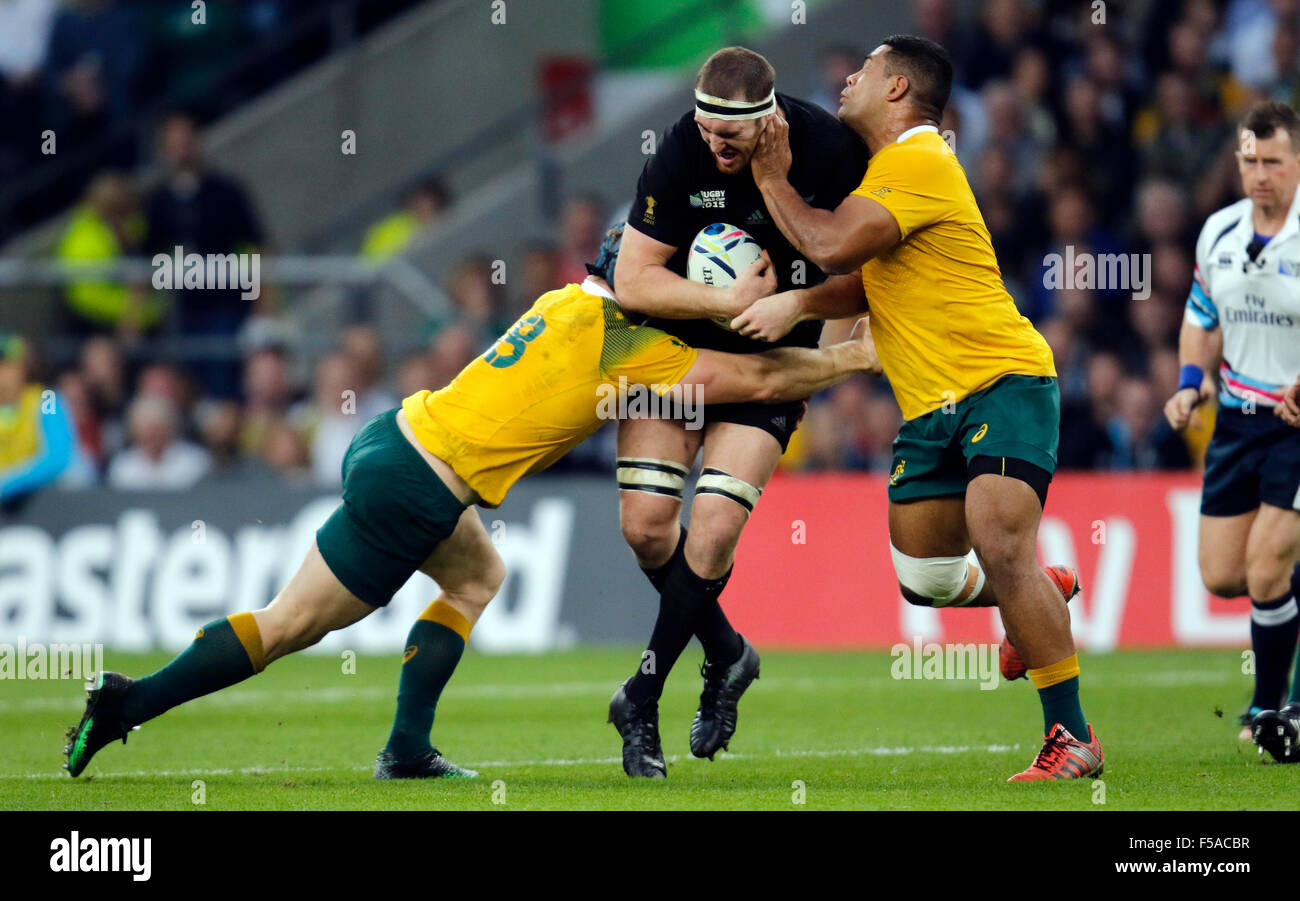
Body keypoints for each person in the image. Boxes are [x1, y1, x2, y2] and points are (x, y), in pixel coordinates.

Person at [63, 227, 883, 780]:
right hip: (420, 485)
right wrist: (858, 354)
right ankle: (130, 701)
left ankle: (408, 749)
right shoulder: (641, 350)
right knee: (285, 626)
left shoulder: (572, 301)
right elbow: (768, 378)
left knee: (477, 575)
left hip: (395, 436)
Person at [738, 35, 1100, 781]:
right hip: (930, 407)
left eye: (864, 70)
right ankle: (1038, 591)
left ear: (898, 86)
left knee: (1001, 544)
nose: (848, 79)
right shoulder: (889, 174)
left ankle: (1073, 737)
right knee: (926, 578)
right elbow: (870, 279)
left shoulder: (919, 161)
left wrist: (772, 178)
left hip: (1001, 379)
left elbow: (833, 245)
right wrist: (795, 302)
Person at [608, 45, 871, 778]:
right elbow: (633, 280)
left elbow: (875, 278)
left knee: (715, 527)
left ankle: (644, 693)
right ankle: (727, 652)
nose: (715, 146)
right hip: (680, 356)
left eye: (733, 134)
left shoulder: (828, 152)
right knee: (646, 525)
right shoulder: (680, 151)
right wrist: (727, 299)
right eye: (706, 129)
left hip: (770, 364)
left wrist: (798, 301)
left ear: (769, 119)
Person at [1162, 100, 1300, 758]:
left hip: (1296, 424)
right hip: (1238, 420)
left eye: (1273, 161)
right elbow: (1200, 315)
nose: (1260, 175)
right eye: (1250, 161)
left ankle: (1272, 708)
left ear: (1296, 161)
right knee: (1224, 575)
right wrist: (1193, 380)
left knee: (1268, 565)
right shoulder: (1218, 230)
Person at [0, 334, 76, 508]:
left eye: (6, 365)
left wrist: (6, 484)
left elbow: (57, 458)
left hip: (40, 505)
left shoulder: (46, 399)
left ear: (24, 367)